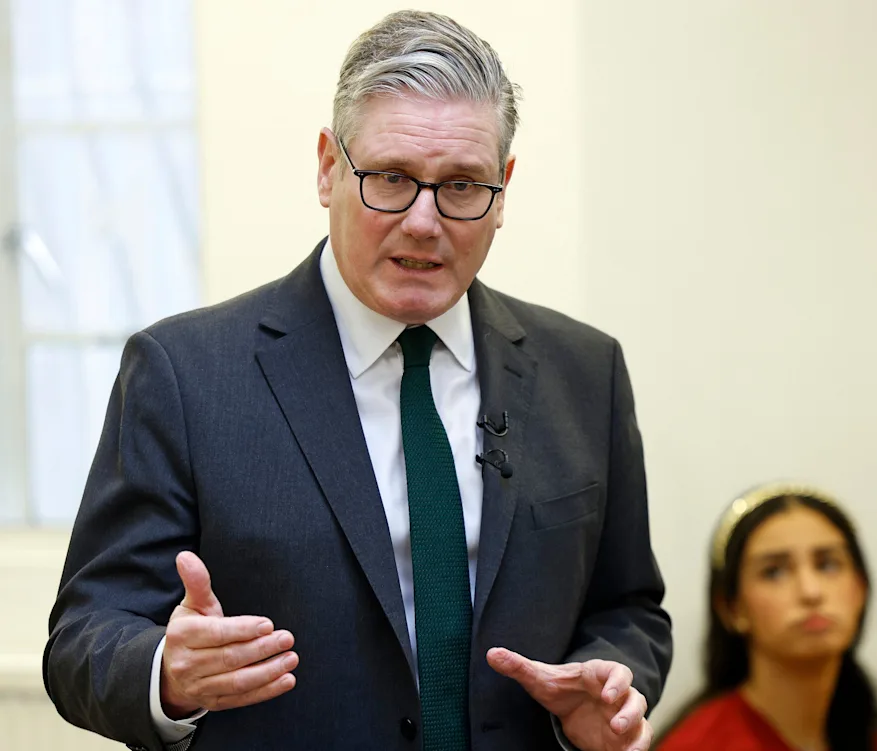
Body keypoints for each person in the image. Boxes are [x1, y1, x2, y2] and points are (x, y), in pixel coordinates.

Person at [43, 11, 671, 751]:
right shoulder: (185, 373)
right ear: (327, 168)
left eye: (463, 186)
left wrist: (611, 681)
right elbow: (84, 633)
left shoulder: (584, 371)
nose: (423, 222)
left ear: (503, 188)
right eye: (392, 179)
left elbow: (629, 606)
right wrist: (164, 673)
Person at [654, 483, 877, 751]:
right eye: (774, 572)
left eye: (828, 564)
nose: (811, 591)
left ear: (861, 588)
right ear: (731, 608)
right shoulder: (697, 744)